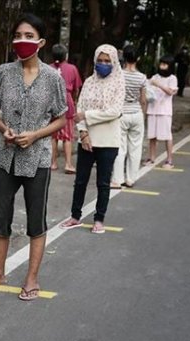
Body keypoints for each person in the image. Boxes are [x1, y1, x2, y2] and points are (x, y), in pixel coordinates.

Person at [0, 13, 67, 301]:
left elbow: (61, 119)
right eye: (19, 36)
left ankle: (32, 278)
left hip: (37, 159)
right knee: (0, 216)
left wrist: (35, 134)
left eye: (29, 36)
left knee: (36, 219)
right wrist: (5, 129)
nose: (23, 41)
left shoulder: (52, 79)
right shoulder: (3, 73)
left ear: (41, 42)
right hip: (5, 156)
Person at [59, 43, 125, 234]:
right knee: (80, 181)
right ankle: (75, 216)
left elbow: (114, 112)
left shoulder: (119, 82)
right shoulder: (89, 81)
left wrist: (87, 115)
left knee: (103, 183)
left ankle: (99, 219)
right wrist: (83, 133)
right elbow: (79, 109)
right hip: (86, 140)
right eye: (100, 60)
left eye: (107, 61)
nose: (103, 64)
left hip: (108, 141)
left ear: (113, 62)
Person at [110, 44, 147, 189]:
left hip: (121, 114)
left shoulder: (118, 75)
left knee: (120, 148)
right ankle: (131, 178)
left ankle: (117, 179)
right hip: (137, 113)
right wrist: (143, 115)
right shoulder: (142, 77)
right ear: (138, 58)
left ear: (123, 58)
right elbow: (143, 99)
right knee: (135, 148)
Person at [49, 43, 82, 174]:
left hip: (51, 103)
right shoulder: (72, 68)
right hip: (66, 102)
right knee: (67, 136)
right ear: (65, 56)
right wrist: (74, 100)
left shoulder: (48, 68)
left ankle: (53, 163)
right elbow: (76, 88)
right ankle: (68, 164)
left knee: (53, 136)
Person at [145, 56, 178, 167]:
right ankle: (151, 157)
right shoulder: (155, 77)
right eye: (161, 64)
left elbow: (170, 92)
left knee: (167, 136)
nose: (162, 66)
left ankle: (169, 159)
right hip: (153, 109)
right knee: (152, 136)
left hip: (165, 111)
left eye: (165, 64)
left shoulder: (172, 78)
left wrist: (158, 84)